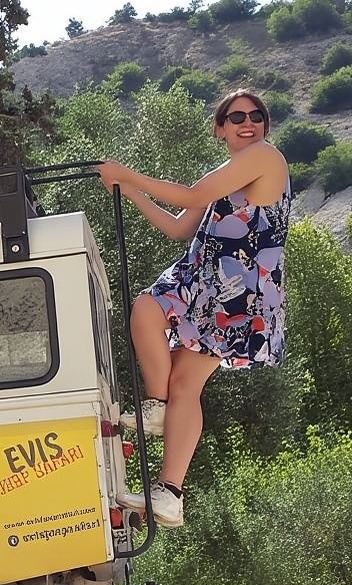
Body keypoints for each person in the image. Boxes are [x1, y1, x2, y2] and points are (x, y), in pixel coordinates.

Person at [98, 89, 290, 528]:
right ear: (220, 129)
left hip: (236, 294)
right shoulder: (229, 178)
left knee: (159, 333)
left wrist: (128, 174)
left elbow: (188, 196)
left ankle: (160, 416)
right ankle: (168, 487)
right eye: (236, 116)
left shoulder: (265, 157)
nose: (248, 122)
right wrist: (128, 190)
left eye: (256, 115)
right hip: (205, 285)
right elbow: (178, 226)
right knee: (163, 343)